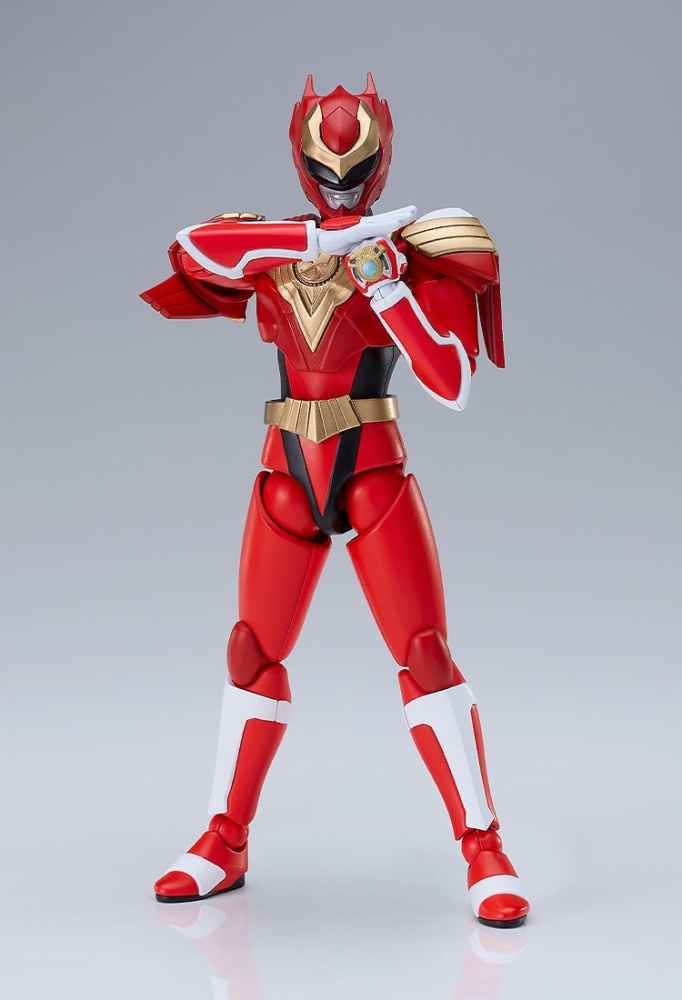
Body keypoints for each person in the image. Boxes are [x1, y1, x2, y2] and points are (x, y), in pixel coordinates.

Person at [141, 75, 529, 928]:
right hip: (285, 467)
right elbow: (190, 248)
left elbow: (452, 382)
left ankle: (484, 848)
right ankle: (224, 839)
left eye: (357, 175)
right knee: (251, 651)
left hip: (372, 467)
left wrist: (388, 285)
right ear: (301, 161)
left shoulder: (415, 250)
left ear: (383, 161)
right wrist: (319, 238)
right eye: (326, 173)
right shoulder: (271, 246)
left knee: (424, 653)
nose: (344, 189)